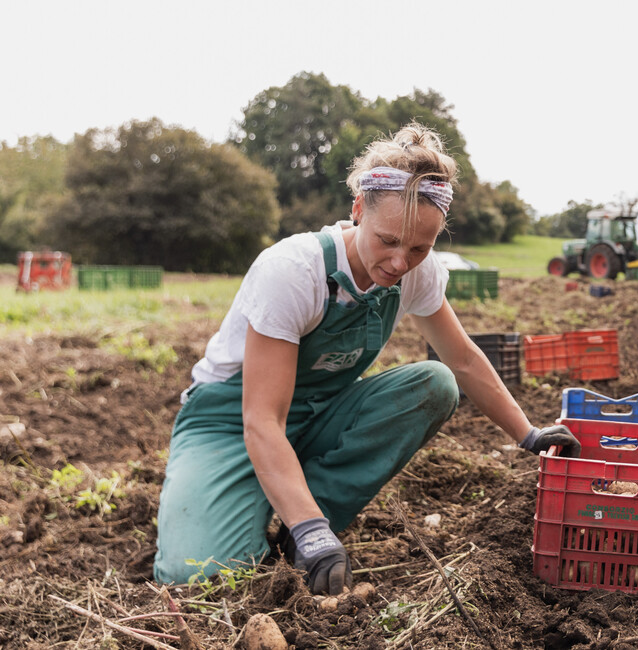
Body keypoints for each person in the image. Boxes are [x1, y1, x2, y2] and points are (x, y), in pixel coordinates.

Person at [153, 123, 580, 594]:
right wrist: (312, 528)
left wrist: (528, 433)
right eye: (388, 240)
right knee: (199, 576)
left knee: (434, 384)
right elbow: (261, 421)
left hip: (316, 415)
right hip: (231, 423)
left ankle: (304, 530)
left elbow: (461, 360)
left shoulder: (417, 273)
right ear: (358, 209)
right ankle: (299, 521)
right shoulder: (294, 272)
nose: (400, 262)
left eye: (420, 247)